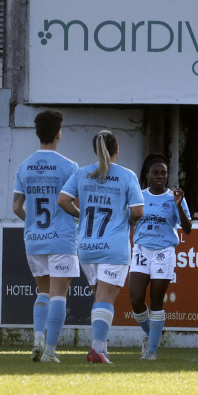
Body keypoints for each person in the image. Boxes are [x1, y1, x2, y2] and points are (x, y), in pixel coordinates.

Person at [59, 130, 143, 364]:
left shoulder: (82, 173)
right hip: (113, 247)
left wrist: (81, 216)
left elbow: (63, 200)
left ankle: (102, 349)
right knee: (106, 297)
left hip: (87, 245)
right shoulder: (126, 176)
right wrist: (127, 217)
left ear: (96, 150)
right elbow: (137, 211)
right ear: (117, 149)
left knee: (99, 296)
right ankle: (96, 349)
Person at [12, 110, 79, 363]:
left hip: (34, 239)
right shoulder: (69, 166)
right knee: (59, 295)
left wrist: (31, 223)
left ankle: (38, 337)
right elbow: (75, 204)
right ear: (59, 134)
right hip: (61, 238)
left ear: (37, 133)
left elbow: (17, 207)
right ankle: (50, 351)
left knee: (42, 291)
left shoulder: (25, 165)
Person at [129, 154, 192, 360]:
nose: (159, 176)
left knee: (156, 301)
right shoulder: (139, 195)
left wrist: (178, 204)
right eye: (155, 172)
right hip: (141, 250)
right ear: (147, 175)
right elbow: (129, 219)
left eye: (163, 173)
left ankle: (152, 351)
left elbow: (188, 228)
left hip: (164, 251)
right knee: (136, 299)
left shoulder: (174, 197)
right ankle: (151, 333)